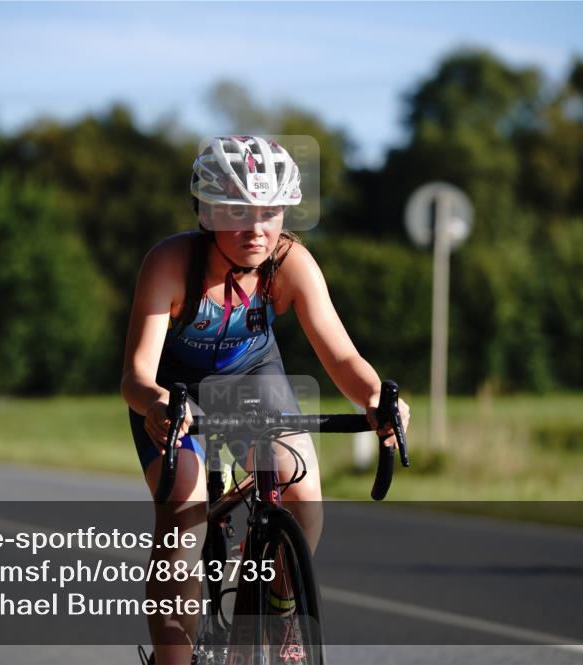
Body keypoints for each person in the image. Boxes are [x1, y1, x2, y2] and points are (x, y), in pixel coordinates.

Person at [121, 136, 410, 665]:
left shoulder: (290, 262)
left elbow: (342, 355)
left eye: (271, 212)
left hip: (251, 375)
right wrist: (159, 406)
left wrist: (375, 398)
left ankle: (278, 614)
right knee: (184, 507)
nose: (256, 229)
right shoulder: (170, 262)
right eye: (237, 212)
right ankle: (173, 657)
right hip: (175, 390)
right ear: (206, 212)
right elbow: (136, 376)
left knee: (300, 485)